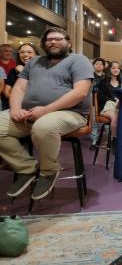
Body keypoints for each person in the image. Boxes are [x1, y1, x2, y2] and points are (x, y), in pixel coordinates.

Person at [0, 27, 93, 200]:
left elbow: (80, 92)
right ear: (44, 44)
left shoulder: (79, 60)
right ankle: (26, 168)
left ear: (68, 42)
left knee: (43, 127)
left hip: (70, 113)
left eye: (58, 38)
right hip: (28, 114)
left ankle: (48, 171)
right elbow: (19, 88)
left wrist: (46, 110)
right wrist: (15, 109)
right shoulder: (34, 62)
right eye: (49, 39)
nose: (53, 42)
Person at [3, 43, 39, 109]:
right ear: (18, 55)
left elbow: (38, 91)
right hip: (15, 107)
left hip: (36, 108)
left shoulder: (43, 70)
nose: (25, 55)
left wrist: (23, 73)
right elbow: (6, 92)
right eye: (22, 52)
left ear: (36, 55)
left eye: (29, 52)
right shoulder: (13, 71)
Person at [96, 61, 122, 154]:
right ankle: (114, 141)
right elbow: (100, 96)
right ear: (109, 69)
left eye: (118, 68)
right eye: (113, 68)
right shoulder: (103, 82)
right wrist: (114, 100)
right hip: (106, 107)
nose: (116, 70)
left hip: (120, 106)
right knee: (115, 116)